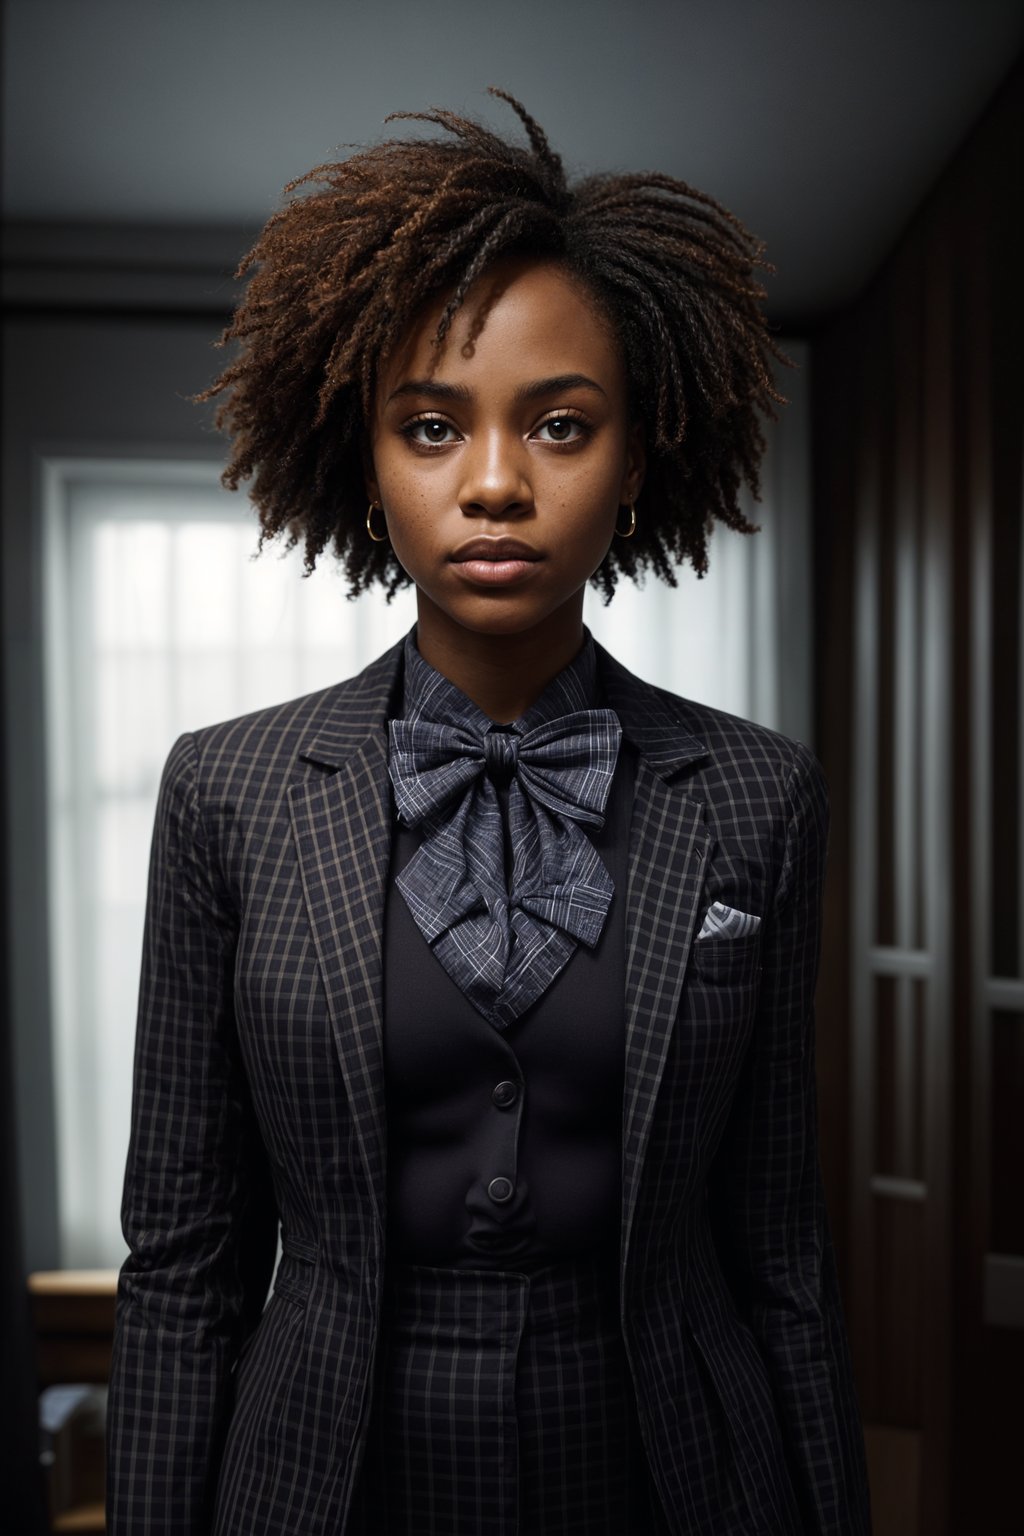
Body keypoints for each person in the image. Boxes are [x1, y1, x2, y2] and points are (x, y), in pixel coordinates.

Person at [106, 90, 872, 1536]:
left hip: (672, 1466)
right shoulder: (228, 791)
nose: (498, 483)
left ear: (638, 460)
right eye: (433, 426)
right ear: (369, 462)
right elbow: (187, 1263)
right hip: (328, 1473)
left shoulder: (762, 795)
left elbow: (783, 1253)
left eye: (562, 425)